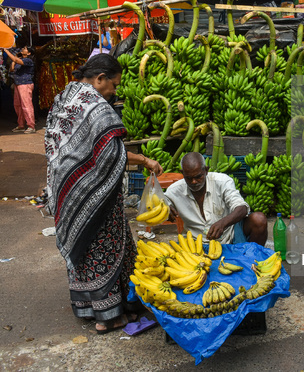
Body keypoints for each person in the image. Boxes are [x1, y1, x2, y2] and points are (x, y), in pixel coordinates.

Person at [44, 54, 163, 334]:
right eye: (114, 85)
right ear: (99, 79)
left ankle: (89, 308)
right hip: (96, 195)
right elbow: (112, 152)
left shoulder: (64, 97)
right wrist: (144, 160)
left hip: (68, 191)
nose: (115, 92)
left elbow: (54, 144)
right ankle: (108, 317)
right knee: (103, 247)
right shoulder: (97, 106)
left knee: (84, 248)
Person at [165, 152, 268, 246]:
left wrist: (222, 223)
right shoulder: (174, 190)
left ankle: (253, 259)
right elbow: (155, 203)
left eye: (198, 177)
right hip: (195, 242)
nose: (194, 182)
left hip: (228, 237)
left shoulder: (222, 182)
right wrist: (165, 208)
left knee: (259, 219)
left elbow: (242, 208)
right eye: (188, 178)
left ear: (206, 170)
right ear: (182, 173)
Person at [2, 46, 36, 133]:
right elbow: (12, 69)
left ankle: (31, 125)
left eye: (25, 49)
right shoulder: (20, 59)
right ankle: (21, 124)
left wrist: (6, 50)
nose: (23, 49)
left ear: (29, 53)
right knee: (18, 105)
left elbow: (17, 61)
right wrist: (15, 59)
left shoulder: (28, 60)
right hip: (18, 84)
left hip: (25, 84)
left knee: (26, 105)